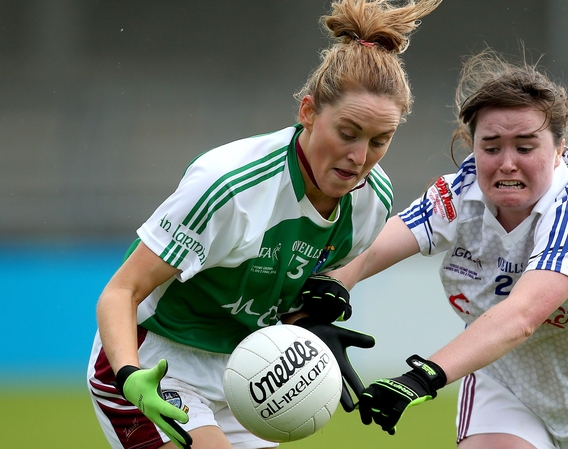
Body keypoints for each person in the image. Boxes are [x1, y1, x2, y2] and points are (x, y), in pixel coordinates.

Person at [86, 1, 443, 448]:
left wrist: (310, 320)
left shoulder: (373, 199)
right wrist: (131, 375)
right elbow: (121, 291)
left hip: (250, 369)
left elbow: (299, 286)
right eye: (348, 133)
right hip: (155, 359)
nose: (359, 157)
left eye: (379, 141)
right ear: (308, 112)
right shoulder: (229, 187)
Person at [327, 49, 568, 449]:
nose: (507, 163)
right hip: (505, 379)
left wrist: (422, 377)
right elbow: (376, 248)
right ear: (472, 147)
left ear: (560, 149)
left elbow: (522, 316)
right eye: (491, 147)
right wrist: (331, 288)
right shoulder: (461, 191)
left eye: (525, 148)